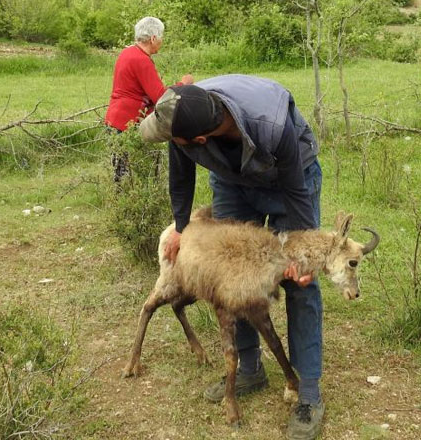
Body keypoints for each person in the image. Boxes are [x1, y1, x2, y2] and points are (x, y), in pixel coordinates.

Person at [139, 75, 324, 440]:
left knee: (297, 281)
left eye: (179, 142)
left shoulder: (270, 124)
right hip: (233, 181)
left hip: (290, 178)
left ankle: (307, 390)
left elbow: (295, 189)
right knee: (230, 275)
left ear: (201, 139)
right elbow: (181, 174)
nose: (175, 144)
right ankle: (250, 368)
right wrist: (180, 225)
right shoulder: (184, 112)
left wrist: (304, 256)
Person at [104, 16, 194, 132]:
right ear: (153, 38)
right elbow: (161, 98)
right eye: (161, 37)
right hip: (127, 124)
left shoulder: (127, 52)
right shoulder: (142, 60)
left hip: (114, 119)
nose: (162, 41)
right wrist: (183, 84)